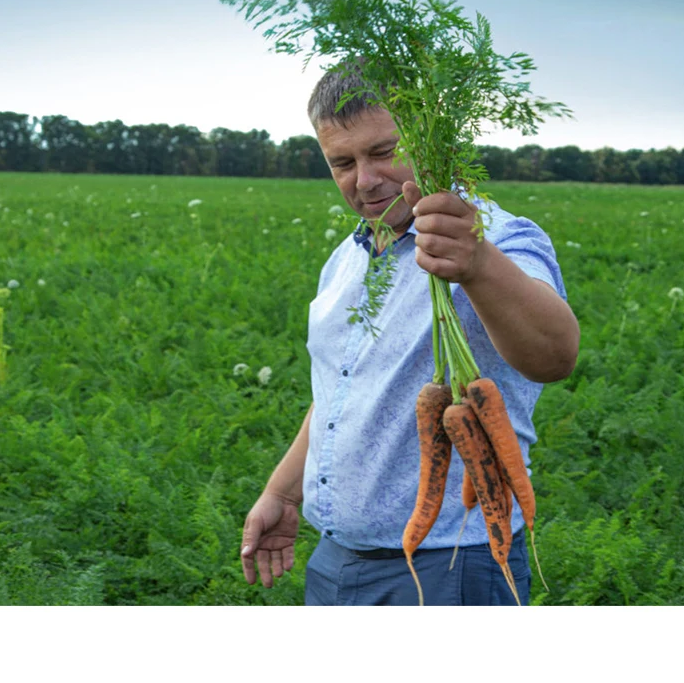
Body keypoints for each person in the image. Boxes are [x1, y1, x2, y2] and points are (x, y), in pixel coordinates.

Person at [239, 64, 580, 605]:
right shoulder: (346, 259)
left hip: (453, 561)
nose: (365, 179)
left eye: (383, 152)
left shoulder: (493, 236)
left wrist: (478, 263)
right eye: (342, 163)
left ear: (429, 138)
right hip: (335, 559)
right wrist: (282, 492)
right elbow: (342, 392)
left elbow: (556, 355)